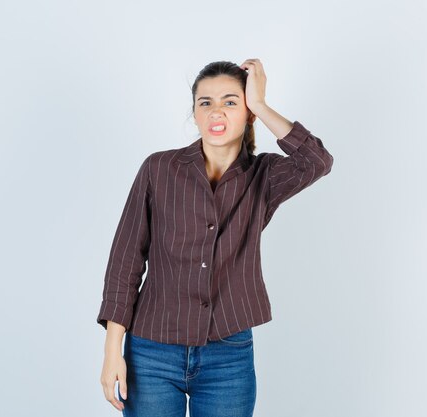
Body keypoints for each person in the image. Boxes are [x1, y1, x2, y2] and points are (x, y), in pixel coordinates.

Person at [97, 58, 334, 417]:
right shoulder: (158, 169)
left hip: (229, 355)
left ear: (248, 113)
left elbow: (317, 161)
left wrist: (260, 104)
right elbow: (125, 262)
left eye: (230, 101)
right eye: (205, 102)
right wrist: (112, 350)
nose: (215, 112)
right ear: (194, 113)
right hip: (151, 351)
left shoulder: (264, 177)